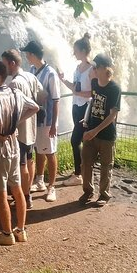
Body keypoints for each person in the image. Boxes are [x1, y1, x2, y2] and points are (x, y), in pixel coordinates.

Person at [0, 61, 39, 245]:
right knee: (17, 189)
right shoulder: (16, 92)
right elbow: (35, 107)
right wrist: (16, 123)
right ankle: (21, 231)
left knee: (0, 193)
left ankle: (6, 234)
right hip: (15, 147)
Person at [1, 48, 43, 210]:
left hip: (21, 130)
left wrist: (15, 122)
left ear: (12, 63)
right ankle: (28, 194)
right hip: (32, 128)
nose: (3, 68)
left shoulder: (14, 83)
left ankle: (25, 198)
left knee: (22, 165)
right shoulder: (31, 76)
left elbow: (14, 109)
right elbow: (42, 95)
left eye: (4, 64)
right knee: (30, 160)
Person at [20, 40, 61, 203]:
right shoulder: (31, 70)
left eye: (27, 54)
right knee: (39, 150)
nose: (26, 57)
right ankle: (40, 180)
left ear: (32, 55)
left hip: (47, 121)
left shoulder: (50, 73)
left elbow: (56, 100)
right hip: (34, 119)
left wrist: (54, 125)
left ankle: (52, 187)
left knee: (50, 152)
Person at [80, 53, 122, 207]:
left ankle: (103, 195)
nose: (93, 69)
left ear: (105, 69)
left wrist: (95, 131)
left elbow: (112, 115)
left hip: (106, 135)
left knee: (106, 166)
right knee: (86, 163)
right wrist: (86, 119)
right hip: (90, 130)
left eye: (96, 67)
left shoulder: (115, 89)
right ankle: (87, 191)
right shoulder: (94, 83)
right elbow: (93, 103)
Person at [59, 33, 93, 186]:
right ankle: (82, 170)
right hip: (76, 106)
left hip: (85, 107)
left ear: (84, 51)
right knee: (79, 140)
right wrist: (63, 79)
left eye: (76, 51)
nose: (74, 53)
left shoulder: (91, 70)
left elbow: (93, 92)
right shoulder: (78, 68)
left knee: (74, 140)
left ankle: (79, 174)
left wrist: (78, 93)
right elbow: (74, 87)